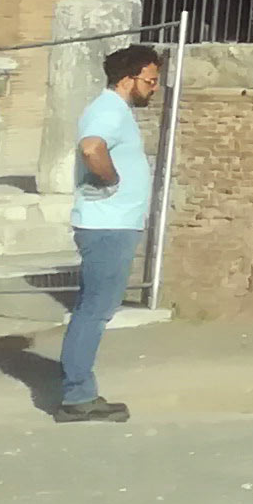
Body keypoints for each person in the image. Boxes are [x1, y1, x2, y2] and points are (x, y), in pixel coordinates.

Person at [54, 42, 167, 424]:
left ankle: (78, 390)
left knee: (93, 309)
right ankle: (78, 396)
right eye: (150, 80)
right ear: (127, 79)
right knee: (94, 311)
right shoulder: (108, 110)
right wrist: (112, 177)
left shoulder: (113, 110)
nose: (154, 87)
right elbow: (91, 148)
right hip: (107, 226)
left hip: (111, 224)